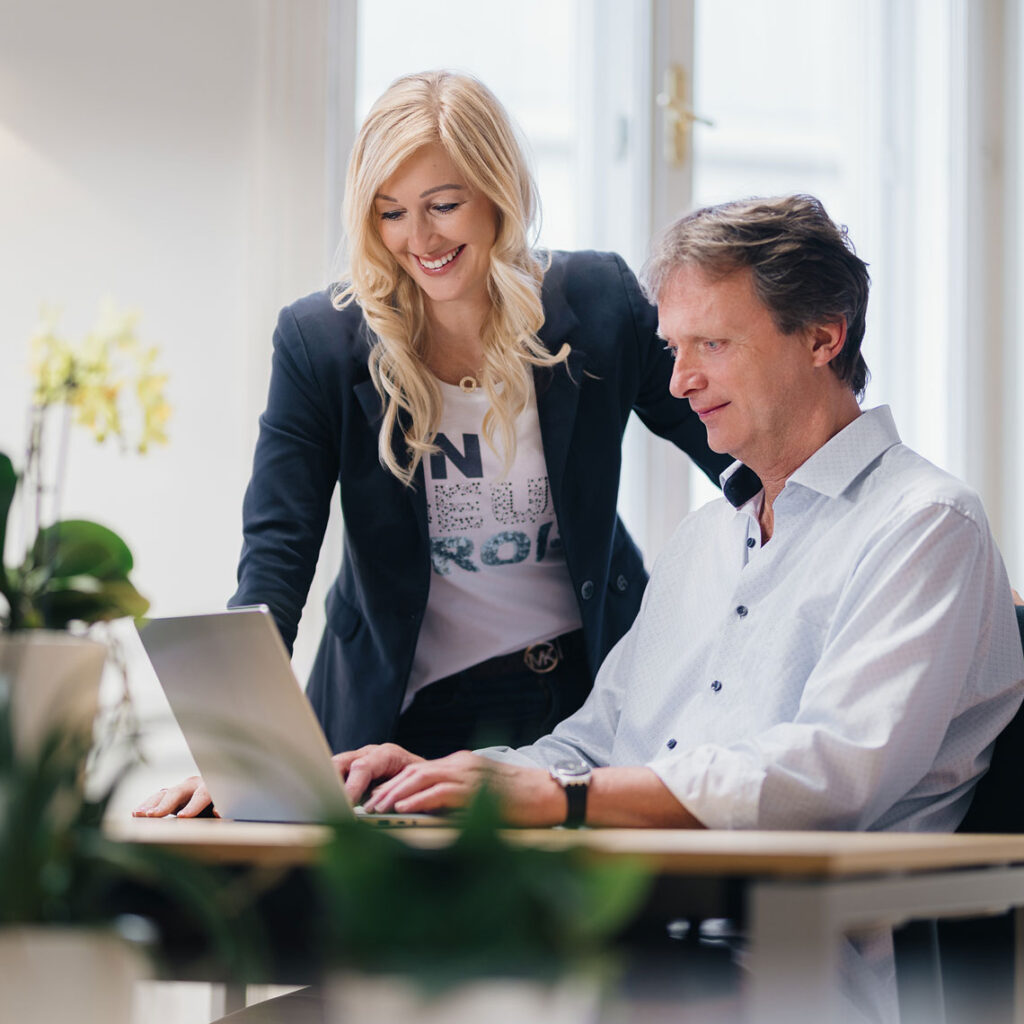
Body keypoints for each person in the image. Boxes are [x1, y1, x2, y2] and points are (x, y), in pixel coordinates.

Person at [331, 193, 1024, 1023]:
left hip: (788, 965)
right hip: (636, 938)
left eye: (713, 345)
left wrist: (570, 803)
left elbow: (830, 775)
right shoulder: (704, 541)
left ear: (823, 336)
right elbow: (594, 741)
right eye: (672, 347)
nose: (678, 380)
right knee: (345, 992)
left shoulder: (925, 526)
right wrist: (455, 779)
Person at [133, 70, 728, 819]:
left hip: (587, 701)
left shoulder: (598, 303)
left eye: (444, 206)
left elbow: (731, 448)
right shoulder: (323, 343)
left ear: (497, 192)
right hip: (408, 713)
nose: (419, 239)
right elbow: (277, 555)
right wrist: (231, 756)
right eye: (391, 213)